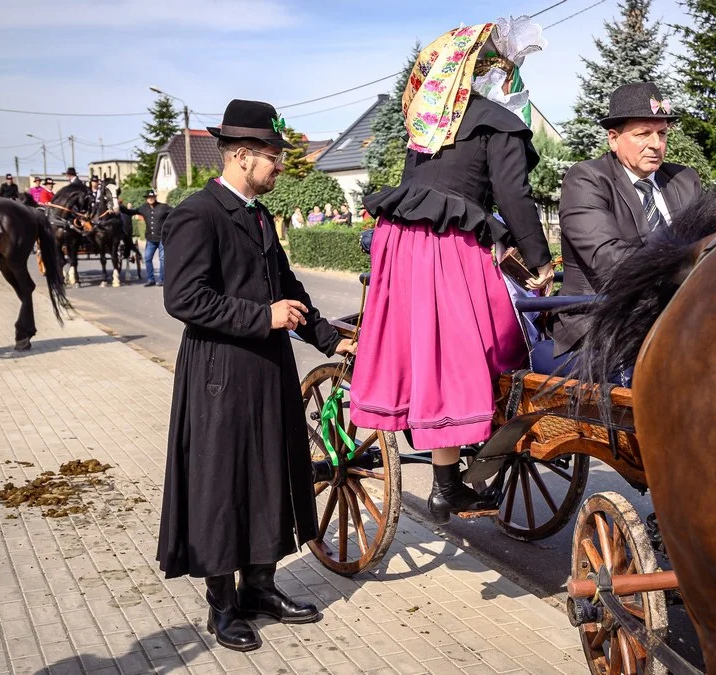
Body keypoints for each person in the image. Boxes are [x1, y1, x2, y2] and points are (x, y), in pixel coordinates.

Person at [157, 98, 354, 653]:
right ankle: (224, 602)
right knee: (222, 485)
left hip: (268, 369)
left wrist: (328, 336)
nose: (281, 165)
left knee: (269, 473)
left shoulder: (259, 214)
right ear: (241, 156)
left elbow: (286, 284)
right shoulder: (197, 214)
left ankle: (262, 587)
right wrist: (259, 317)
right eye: (274, 156)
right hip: (219, 374)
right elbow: (184, 298)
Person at [352, 16, 553, 524]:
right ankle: (448, 484)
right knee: (476, 343)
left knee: (429, 348)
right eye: (510, 74)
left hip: (402, 247)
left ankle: (453, 463)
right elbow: (514, 197)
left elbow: (413, 193)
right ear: (496, 75)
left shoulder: (428, 126)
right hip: (446, 246)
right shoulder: (498, 122)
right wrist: (541, 260)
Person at [541, 82, 704, 377]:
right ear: (614, 139)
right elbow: (610, 260)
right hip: (604, 320)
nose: (656, 144)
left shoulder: (684, 179)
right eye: (643, 133)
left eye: (662, 133)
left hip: (681, 319)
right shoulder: (586, 179)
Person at [120, 190, 172, 286]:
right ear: (146, 199)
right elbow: (130, 212)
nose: (150, 199)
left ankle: (162, 280)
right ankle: (151, 279)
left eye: (152, 197)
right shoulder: (143, 208)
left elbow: (174, 212)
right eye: (148, 197)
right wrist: (119, 206)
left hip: (162, 239)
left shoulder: (164, 207)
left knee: (162, 259)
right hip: (150, 239)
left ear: (155, 197)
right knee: (147, 258)